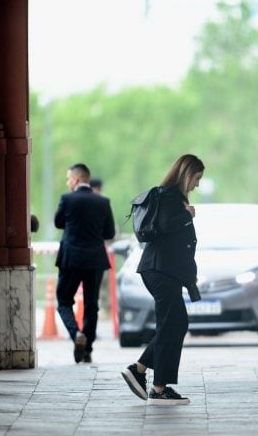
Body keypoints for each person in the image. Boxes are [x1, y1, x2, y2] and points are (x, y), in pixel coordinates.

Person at [121, 154, 205, 405]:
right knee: (173, 324)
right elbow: (167, 224)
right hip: (160, 271)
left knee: (175, 324)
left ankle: (142, 370)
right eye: (197, 178)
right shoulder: (169, 196)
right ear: (186, 173)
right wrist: (187, 214)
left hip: (162, 271)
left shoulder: (172, 198)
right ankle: (157, 387)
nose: (197, 184)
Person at [54, 163, 116, 363]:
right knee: (92, 305)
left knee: (64, 301)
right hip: (95, 260)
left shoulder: (67, 199)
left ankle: (76, 334)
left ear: (77, 179)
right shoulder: (103, 202)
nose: (67, 182)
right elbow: (110, 233)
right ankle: (87, 349)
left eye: (68, 179)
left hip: (71, 259)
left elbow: (58, 222)